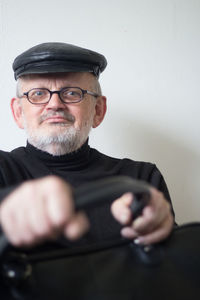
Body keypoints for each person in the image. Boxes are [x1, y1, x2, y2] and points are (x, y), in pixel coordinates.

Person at [0, 42, 174, 252]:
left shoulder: (141, 180)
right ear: (18, 113)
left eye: (72, 93)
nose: (54, 104)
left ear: (98, 110)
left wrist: (154, 227)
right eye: (38, 94)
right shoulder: (3, 169)